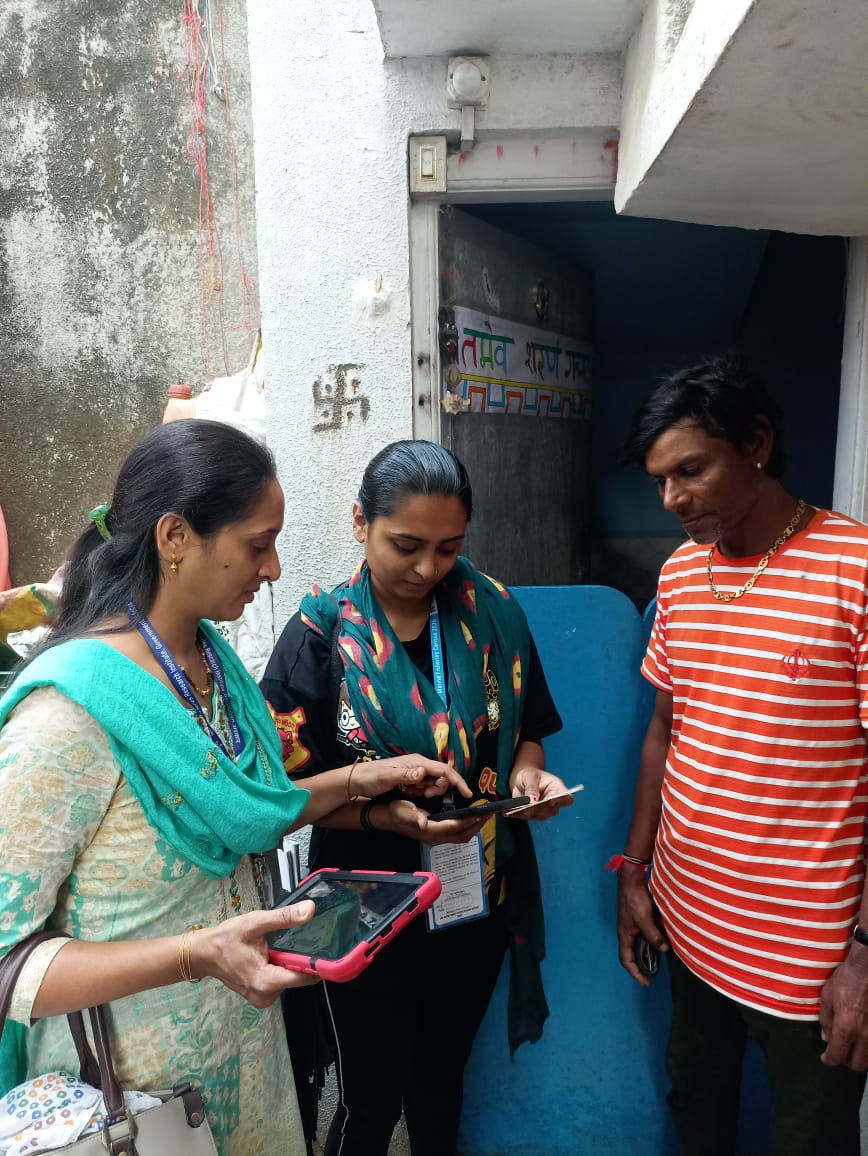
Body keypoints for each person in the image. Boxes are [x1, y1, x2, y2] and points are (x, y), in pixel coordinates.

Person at [0, 420, 468, 1156]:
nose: (274, 568)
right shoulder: (65, 718)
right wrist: (197, 953)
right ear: (175, 537)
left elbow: (251, 810)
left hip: (250, 1064)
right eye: (257, 545)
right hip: (135, 1104)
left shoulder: (214, 668)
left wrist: (361, 781)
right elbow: (8, 963)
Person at [260, 439, 572, 1156]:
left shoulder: (493, 615)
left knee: (440, 1080)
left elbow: (527, 731)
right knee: (369, 1099)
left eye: (449, 547)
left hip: (470, 899)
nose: (429, 568)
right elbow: (282, 795)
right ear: (359, 522)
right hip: (360, 903)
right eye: (406, 545)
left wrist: (528, 777)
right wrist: (381, 813)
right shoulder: (320, 636)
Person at [616, 356, 868, 1156]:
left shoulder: (855, 571)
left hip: (810, 956)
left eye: (691, 470)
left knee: (809, 1137)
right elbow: (664, 731)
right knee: (696, 1107)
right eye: (660, 480)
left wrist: (864, 957)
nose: (673, 498)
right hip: (690, 922)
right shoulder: (681, 575)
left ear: (756, 443)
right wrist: (634, 872)